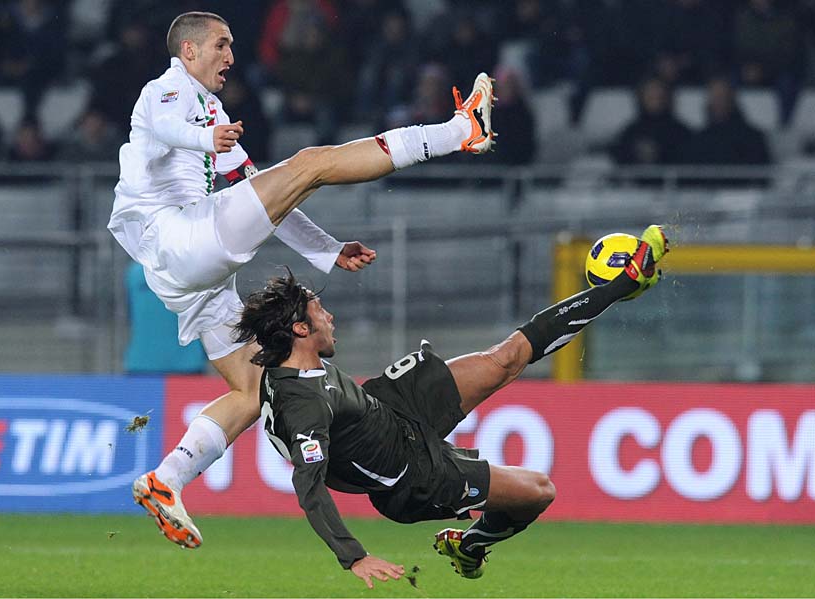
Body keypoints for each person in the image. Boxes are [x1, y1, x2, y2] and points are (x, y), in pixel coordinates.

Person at [113, 11, 496, 548]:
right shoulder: (168, 89)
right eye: (221, 45)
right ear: (190, 51)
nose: (230, 56)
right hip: (178, 236)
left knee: (252, 391)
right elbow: (165, 129)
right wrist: (208, 141)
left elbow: (263, 190)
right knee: (312, 162)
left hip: (186, 274)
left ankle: (166, 479)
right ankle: (459, 131)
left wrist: (327, 248)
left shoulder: (212, 110)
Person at [234, 225, 669, 587]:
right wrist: (353, 556)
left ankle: (621, 284)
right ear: (299, 329)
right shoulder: (303, 404)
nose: (330, 317)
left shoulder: (290, 366)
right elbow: (310, 487)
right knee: (539, 491)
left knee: (507, 357)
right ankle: (471, 545)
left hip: (391, 405)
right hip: (411, 473)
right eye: (320, 311)